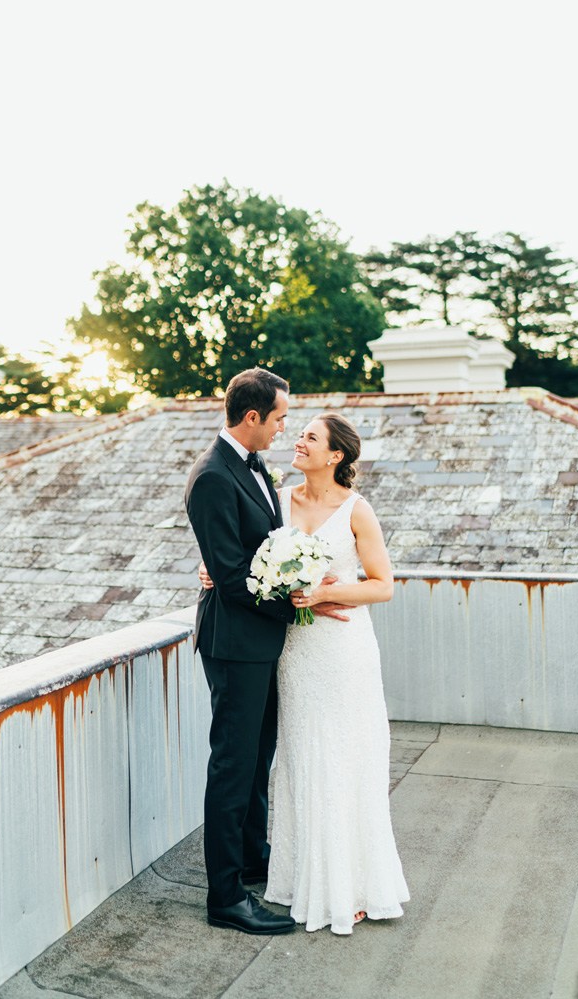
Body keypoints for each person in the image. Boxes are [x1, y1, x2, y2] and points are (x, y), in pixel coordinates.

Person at [185, 368, 348, 935]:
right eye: (280, 419)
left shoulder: (252, 469)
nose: (285, 429)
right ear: (252, 417)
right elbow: (232, 577)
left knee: (257, 758)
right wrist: (300, 608)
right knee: (233, 766)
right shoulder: (212, 476)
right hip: (234, 644)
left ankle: (252, 859)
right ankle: (225, 897)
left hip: (260, 642)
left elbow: (262, 550)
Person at [264, 411, 409, 934]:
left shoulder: (356, 510)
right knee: (303, 755)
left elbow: (382, 585)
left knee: (347, 757)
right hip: (295, 652)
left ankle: (355, 883)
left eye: (310, 438)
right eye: (298, 433)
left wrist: (323, 591)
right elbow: (251, 561)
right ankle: (305, 877)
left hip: (343, 650)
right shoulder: (278, 498)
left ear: (336, 456)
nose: (298, 441)